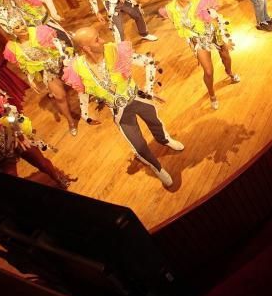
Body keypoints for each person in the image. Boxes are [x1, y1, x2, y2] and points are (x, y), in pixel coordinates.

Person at [63, 27, 183, 187]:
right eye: (97, 39)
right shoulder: (77, 67)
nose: (103, 40)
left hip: (138, 99)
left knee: (155, 122)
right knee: (138, 144)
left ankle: (164, 139)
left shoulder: (115, 51)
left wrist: (148, 88)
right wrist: (85, 114)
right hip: (119, 111)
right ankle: (158, 168)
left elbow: (149, 62)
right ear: (86, 48)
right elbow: (82, 90)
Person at [162, 0, 240, 110]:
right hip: (198, 40)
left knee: (225, 56)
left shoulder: (199, 0)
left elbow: (216, 19)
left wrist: (226, 39)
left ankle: (229, 72)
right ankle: (212, 94)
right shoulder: (170, 9)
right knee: (208, 71)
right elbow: (179, 27)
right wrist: (191, 42)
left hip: (213, 32)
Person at [3, 17, 78, 136]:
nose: (22, 28)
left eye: (22, 24)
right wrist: (30, 78)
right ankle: (70, 121)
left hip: (62, 60)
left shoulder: (40, 32)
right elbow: (24, 65)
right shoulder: (12, 47)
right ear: (11, 31)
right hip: (47, 70)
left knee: (80, 80)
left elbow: (58, 45)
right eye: (17, 27)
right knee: (60, 97)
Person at [2, 0, 72, 46]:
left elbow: (47, 0)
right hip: (34, 30)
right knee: (51, 47)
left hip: (47, 23)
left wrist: (55, 15)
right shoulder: (10, 1)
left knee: (66, 41)